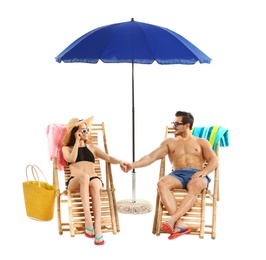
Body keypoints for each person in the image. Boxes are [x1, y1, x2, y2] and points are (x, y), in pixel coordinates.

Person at [122, 111, 218, 240]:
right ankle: (179, 223)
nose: (174, 126)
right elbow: (151, 156)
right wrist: (132, 165)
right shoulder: (169, 142)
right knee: (162, 183)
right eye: (174, 123)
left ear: (187, 125)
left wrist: (204, 172)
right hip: (177, 174)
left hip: (197, 174)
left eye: (177, 123)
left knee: (196, 185)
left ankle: (172, 220)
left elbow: (214, 160)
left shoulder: (201, 142)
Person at [62, 116, 127, 245]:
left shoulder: (92, 147)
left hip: (93, 178)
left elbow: (108, 157)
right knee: (84, 177)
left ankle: (97, 226)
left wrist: (119, 161)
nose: (86, 133)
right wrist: (76, 142)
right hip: (75, 180)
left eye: (87, 130)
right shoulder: (67, 148)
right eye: (83, 131)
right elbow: (72, 159)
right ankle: (88, 220)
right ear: (75, 132)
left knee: (94, 184)